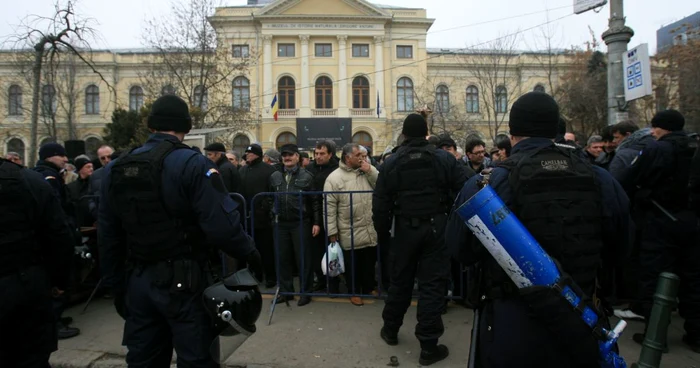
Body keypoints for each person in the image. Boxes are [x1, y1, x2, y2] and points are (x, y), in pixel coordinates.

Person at [446, 92, 633, 367]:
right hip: (580, 318)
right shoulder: (599, 178)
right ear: (556, 128)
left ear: (512, 134)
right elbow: (622, 247)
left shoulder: (488, 184)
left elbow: (459, 249)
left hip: (512, 325)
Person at [98, 95, 261, 367]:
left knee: (143, 359)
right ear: (186, 126)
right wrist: (251, 253)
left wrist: (117, 286)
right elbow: (221, 226)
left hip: (138, 281)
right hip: (185, 283)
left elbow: (108, 234)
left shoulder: (116, 168)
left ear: (151, 126)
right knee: (196, 358)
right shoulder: (194, 164)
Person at [373, 113, 467, 366]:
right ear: (426, 133)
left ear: (403, 135)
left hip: (404, 229)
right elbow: (467, 186)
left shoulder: (392, 163)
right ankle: (428, 346)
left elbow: (380, 203)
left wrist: (382, 235)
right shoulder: (443, 158)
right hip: (436, 227)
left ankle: (390, 329)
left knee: (400, 282)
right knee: (432, 285)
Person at [618, 109, 700, 352]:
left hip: (660, 221)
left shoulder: (656, 149)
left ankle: (656, 336)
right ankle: (696, 334)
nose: (653, 132)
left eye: (655, 127)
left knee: (654, 278)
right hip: (693, 222)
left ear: (662, 128)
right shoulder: (694, 145)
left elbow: (630, 179)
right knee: (694, 278)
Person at [0, 156, 74, 367]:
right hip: (24, 285)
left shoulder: (28, 179)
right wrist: (59, 282)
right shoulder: (29, 180)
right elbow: (60, 237)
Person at [33, 142, 81, 339]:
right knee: (59, 281)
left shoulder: (43, 174)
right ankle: (53, 323)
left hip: (48, 238)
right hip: (55, 237)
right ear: (49, 157)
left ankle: (55, 319)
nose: (65, 159)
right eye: (61, 155)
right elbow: (56, 211)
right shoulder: (49, 178)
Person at [268, 143, 322, 306]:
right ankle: (286, 292)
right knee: (282, 258)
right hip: (280, 224)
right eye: (284, 155)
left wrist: (317, 222)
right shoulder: (275, 176)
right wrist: (272, 212)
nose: (287, 158)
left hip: (301, 223)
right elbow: (270, 197)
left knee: (303, 259)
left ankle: (306, 292)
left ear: (297, 157)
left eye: (290, 154)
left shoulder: (307, 176)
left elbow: (315, 202)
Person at [324, 143, 379, 306]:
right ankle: (354, 291)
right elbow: (329, 207)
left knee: (369, 260)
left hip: (369, 225)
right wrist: (332, 230)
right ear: (348, 158)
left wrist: (371, 171)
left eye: (364, 155)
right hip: (349, 228)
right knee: (352, 263)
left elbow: (382, 184)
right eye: (359, 156)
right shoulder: (334, 178)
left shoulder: (367, 171)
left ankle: (369, 287)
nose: (363, 158)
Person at [239, 144, 277, 288]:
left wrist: (265, 207)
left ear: (257, 155)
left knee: (266, 249)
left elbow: (272, 191)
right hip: (246, 217)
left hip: (263, 218)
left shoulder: (269, 170)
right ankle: (256, 274)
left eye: (250, 152)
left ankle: (271, 277)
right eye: (246, 152)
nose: (247, 154)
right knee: (250, 249)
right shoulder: (242, 170)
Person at [305, 140, 340, 292]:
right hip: (314, 216)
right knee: (316, 252)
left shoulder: (337, 169)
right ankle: (320, 280)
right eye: (316, 153)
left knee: (334, 251)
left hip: (333, 216)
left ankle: (333, 284)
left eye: (322, 154)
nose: (318, 157)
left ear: (330, 154)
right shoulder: (310, 168)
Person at [67, 155, 95, 227]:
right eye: (88, 167)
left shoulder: (95, 184)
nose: (91, 169)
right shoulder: (70, 187)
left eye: (92, 167)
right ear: (80, 169)